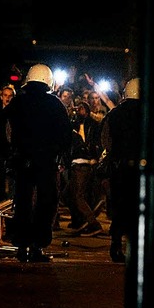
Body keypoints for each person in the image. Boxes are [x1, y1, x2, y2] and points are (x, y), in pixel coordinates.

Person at [3, 64, 72, 262]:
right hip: (46, 163)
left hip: (22, 162)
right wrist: (61, 158)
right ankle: (37, 246)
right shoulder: (55, 104)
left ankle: (21, 245)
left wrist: (10, 155)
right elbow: (65, 135)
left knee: (22, 202)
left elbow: (5, 130)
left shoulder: (17, 103)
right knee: (46, 203)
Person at [101, 78, 145, 263]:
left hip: (119, 168)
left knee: (119, 207)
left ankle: (116, 244)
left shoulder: (114, 114)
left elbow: (105, 139)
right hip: (142, 169)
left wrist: (114, 156)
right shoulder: (150, 114)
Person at [65, 101, 104, 236]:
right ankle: (81, 220)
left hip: (83, 162)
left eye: (82, 109)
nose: (79, 111)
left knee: (78, 195)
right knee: (68, 193)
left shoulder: (92, 125)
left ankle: (92, 223)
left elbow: (93, 142)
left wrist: (95, 157)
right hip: (76, 162)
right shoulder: (73, 124)